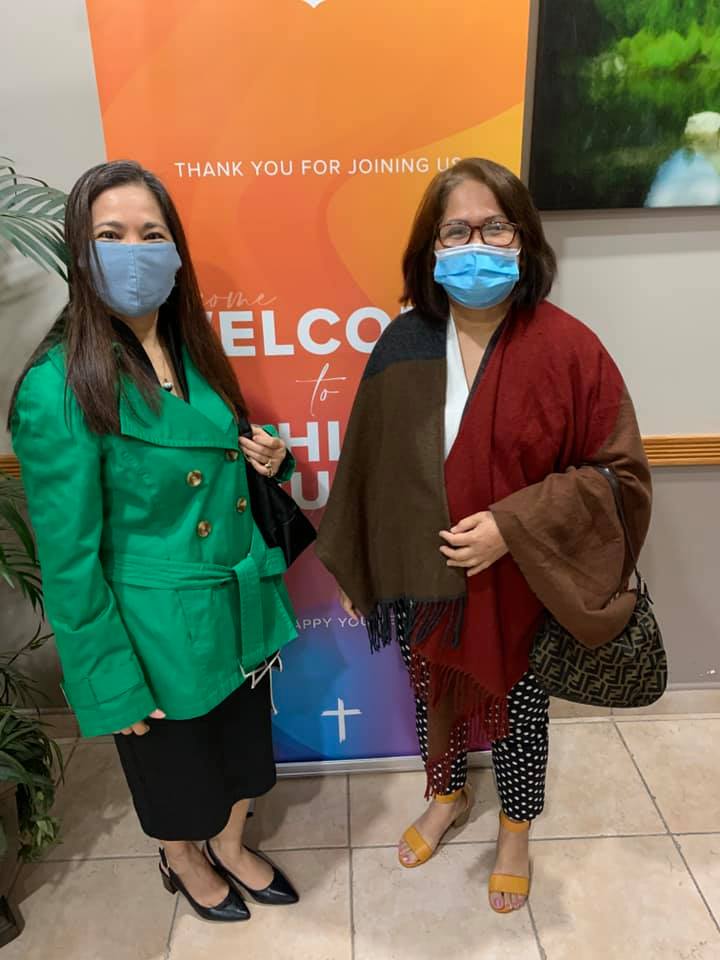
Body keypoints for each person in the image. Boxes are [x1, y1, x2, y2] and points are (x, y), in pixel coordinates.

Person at [316, 158, 651, 914]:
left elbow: (619, 475)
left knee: (521, 711)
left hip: (521, 583)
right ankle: (446, 794)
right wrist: (359, 560)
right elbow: (367, 463)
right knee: (428, 687)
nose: (477, 243)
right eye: (456, 230)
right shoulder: (403, 342)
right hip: (421, 577)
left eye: (494, 226)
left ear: (524, 240)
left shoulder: (568, 348)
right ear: (430, 250)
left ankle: (514, 829)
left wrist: (511, 525)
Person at [10, 160, 300, 923]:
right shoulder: (58, 387)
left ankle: (233, 846)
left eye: (151, 234)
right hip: (153, 633)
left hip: (237, 603)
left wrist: (270, 453)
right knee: (177, 777)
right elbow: (69, 560)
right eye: (111, 236)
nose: (134, 252)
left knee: (243, 759)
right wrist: (110, 680)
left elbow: (218, 455)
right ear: (81, 251)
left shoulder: (196, 349)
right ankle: (181, 857)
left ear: (176, 254)